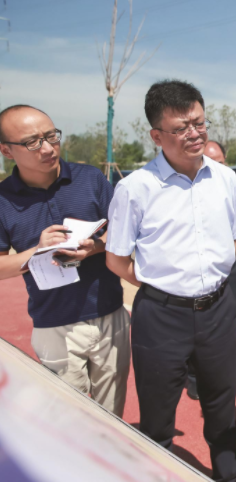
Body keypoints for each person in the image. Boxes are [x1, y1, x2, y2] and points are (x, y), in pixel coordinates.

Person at [106, 80, 236, 481]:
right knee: (157, 406)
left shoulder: (225, 178)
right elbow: (116, 259)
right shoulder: (135, 188)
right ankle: (158, 469)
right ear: (157, 136)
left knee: (221, 397)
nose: (194, 133)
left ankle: (227, 468)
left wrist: (211, 275)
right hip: (161, 315)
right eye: (181, 128)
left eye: (199, 123)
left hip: (218, 310)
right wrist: (160, 283)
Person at [0, 105, 129, 417]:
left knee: (112, 418)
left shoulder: (91, 179)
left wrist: (94, 247)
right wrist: (37, 251)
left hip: (110, 312)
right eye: (32, 142)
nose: (47, 148)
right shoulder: (2, 200)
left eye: (51, 136)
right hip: (53, 324)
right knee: (69, 420)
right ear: (6, 150)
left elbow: (123, 231)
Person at [185, 138, 236, 399]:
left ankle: (233, 368)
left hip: (228, 267)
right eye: (210, 161)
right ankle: (194, 375)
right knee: (197, 325)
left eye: (221, 162)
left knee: (228, 321)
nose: (216, 167)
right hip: (195, 271)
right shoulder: (188, 190)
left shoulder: (229, 184)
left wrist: (225, 261)